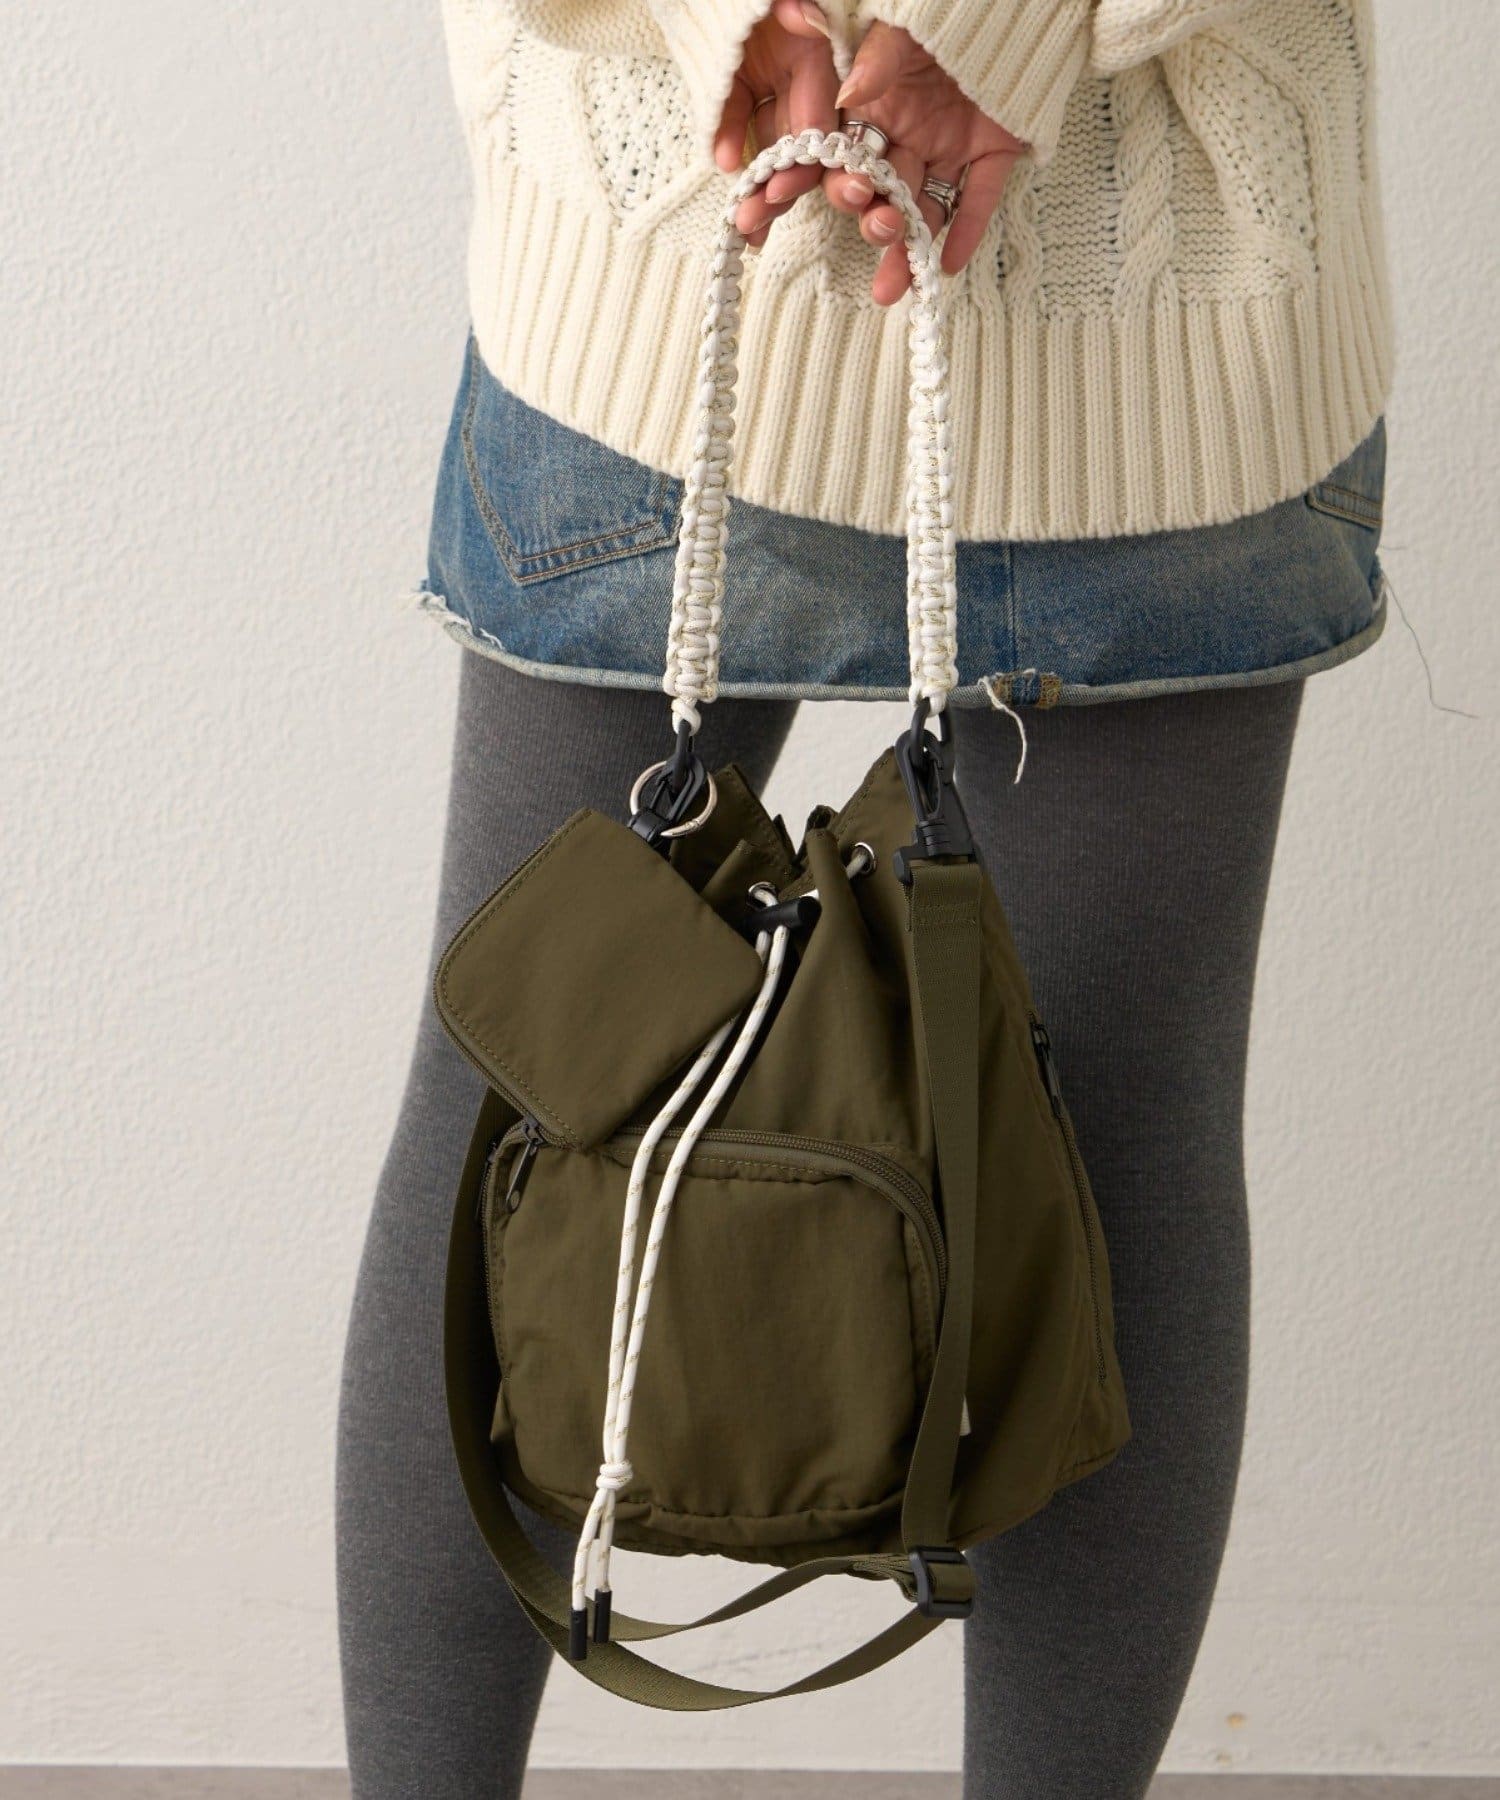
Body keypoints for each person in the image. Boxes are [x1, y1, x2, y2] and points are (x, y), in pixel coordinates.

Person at [337, 2, 1389, 1794]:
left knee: (530, 1087)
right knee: (1102, 1142)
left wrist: (777, 26)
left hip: (673, 253)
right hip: (1163, 313)